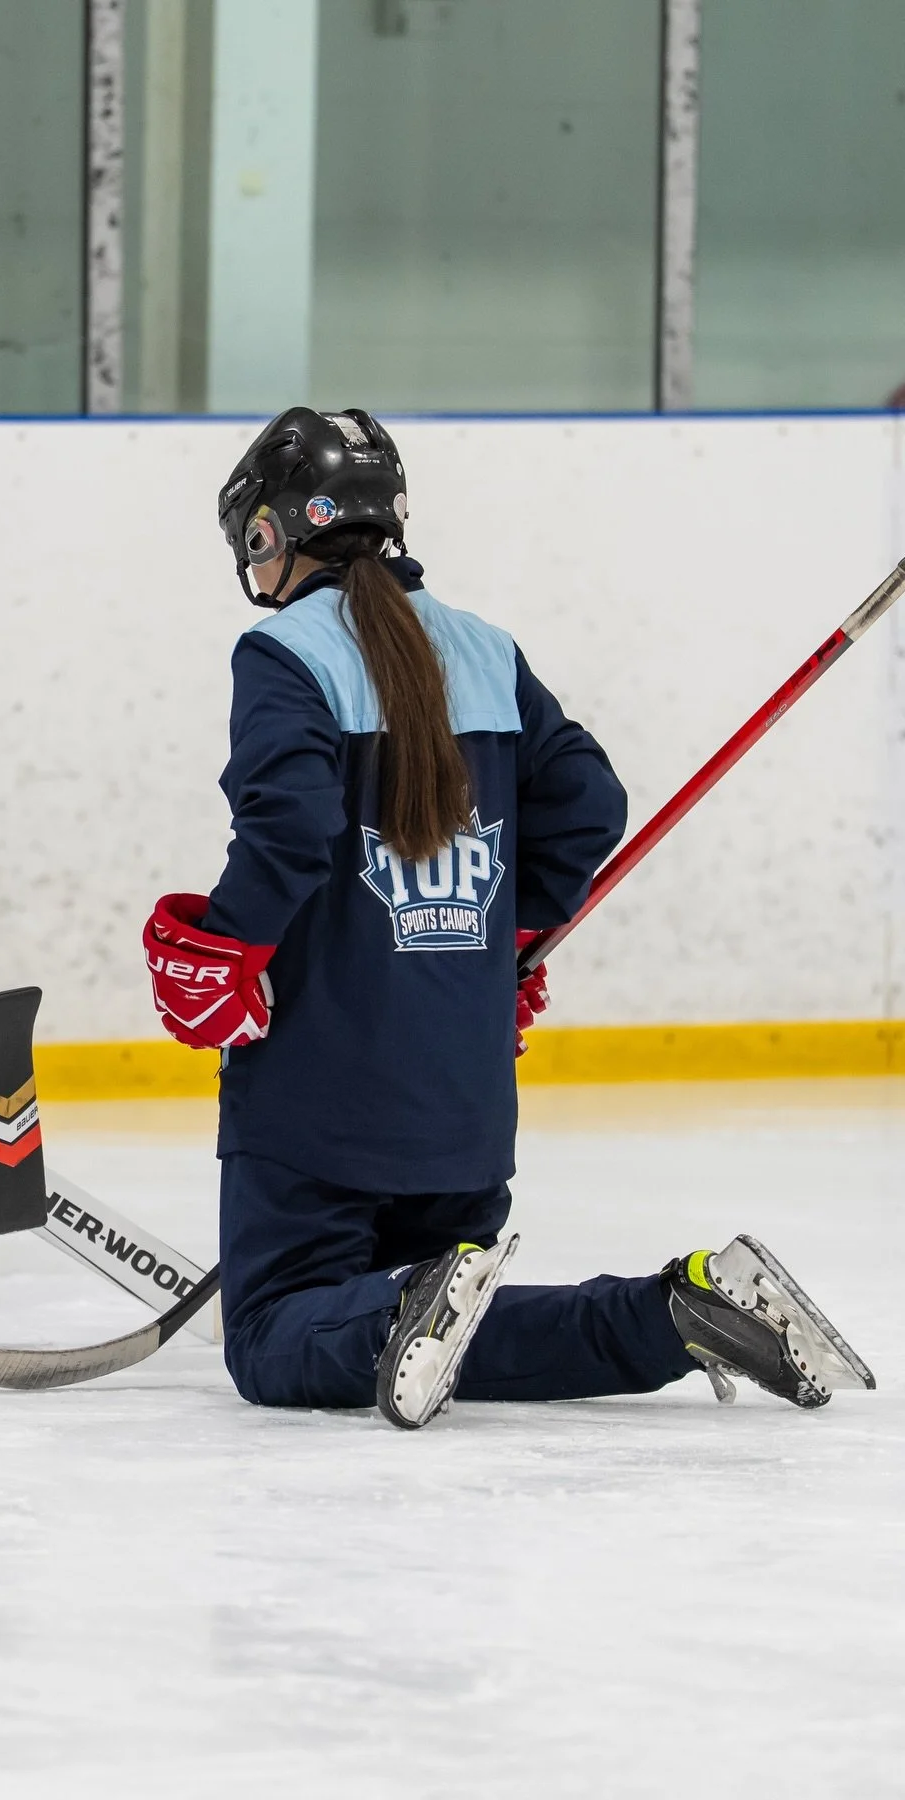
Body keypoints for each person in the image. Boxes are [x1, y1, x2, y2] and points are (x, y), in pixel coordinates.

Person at [144, 407, 874, 1429]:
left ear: (268, 534)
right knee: (448, 1334)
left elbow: (296, 825)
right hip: (465, 1120)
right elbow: (590, 809)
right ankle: (679, 1312)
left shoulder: (284, 653)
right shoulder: (486, 650)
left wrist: (231, 945)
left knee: (271, 1338)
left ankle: (409, 1304)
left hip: (318, 1112)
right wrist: (500, 937)